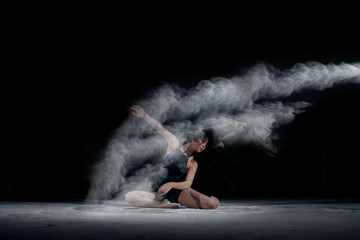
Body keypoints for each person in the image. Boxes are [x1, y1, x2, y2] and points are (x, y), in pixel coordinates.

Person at [125, 105, 220, 209]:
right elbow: (160, 128)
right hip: (158, 191)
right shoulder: (174, 144)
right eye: (202, 141)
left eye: (205, 145)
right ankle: (162, 205)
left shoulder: (193, 163)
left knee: (212, 204)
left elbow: (187, 184)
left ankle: (164, 203)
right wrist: (144, 115)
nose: (203, 146)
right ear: (193, 138)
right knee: (129, 196)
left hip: (176, 193)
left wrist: (171, 185)